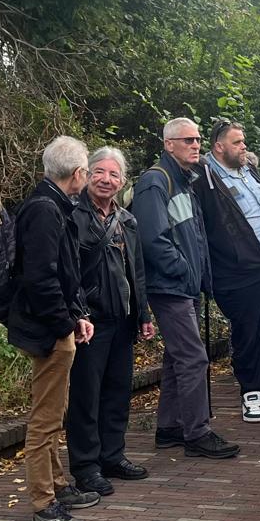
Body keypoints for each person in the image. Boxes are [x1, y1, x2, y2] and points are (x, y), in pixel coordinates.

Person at [132, 117, 239, 461]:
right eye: (188, 140)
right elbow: (153, 239)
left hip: (186, 286)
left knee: (178, 358)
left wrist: (200, 275)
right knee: (194, 359)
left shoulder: (184, 182)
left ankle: (169, 427)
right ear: (168, 144)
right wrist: (184, 271)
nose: (196, 145)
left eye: (197, 139)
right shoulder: (155, 181)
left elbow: (193, 237)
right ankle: (197, 432)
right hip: (171, 287)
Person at [8, 136, 98, 521]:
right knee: (45, 419)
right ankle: (43, 504)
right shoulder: (46, 211)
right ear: (78, 174)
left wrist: (74, 315)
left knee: (54, 412)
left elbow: (58, 274)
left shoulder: (48, 204)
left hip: (54, 324)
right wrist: (65, 324)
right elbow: (42, 278)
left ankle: (58, 485)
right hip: (48, 330)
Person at [197, 119, 260, 423]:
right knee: (248, 335)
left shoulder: (247, 171)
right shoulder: (205, 179)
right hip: (241, 274)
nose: (244, 146)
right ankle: (252, 393)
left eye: (243, 141)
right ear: (219, 147)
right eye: (237, 142)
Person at [66, 147, 155, 498]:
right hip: (90, 320)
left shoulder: (127, 220)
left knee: (118, 392)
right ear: (87, 174)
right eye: (99, 172)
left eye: (114, 174)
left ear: (122, 181)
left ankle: (112, 455)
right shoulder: (74, 216)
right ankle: (86, 467)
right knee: (87, 396)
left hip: (123, 318)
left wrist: (144, 315)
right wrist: (77, 313)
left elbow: (138, 272)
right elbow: (67, 271)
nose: (106, 179)